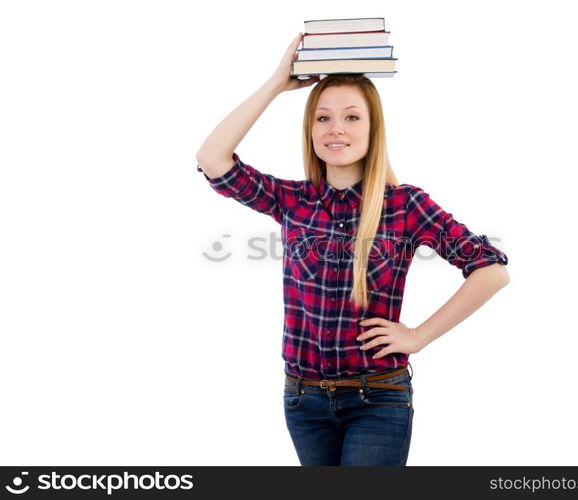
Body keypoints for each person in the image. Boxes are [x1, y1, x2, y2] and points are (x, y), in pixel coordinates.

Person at [195, 33, 510, 466]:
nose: (336, 128)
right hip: (303, 402)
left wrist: (417, 336)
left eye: (351, 117)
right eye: (323, 118)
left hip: (377, 399)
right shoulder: (293, 200)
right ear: (310, 129)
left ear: (373, 128)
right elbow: (212, 158)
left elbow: (490, 270)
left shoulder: (404, 204)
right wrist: (275, 84)